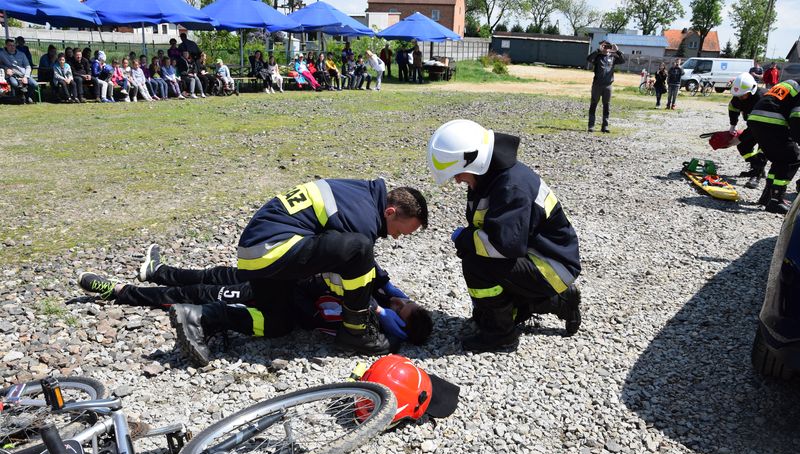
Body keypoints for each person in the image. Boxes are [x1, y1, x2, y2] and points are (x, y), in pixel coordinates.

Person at [164, 179, 428, 360]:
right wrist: (376, 310)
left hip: (261, 252)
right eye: (400, 232)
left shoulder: (363, 200)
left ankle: (201, 317)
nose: (396, 238)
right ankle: (356, 333)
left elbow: (350, 257)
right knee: (360, 247)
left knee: (278, 323)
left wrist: (385, 285)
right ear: (390, 212)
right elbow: (345, 267)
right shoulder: (363, 215)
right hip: (272, 249)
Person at [77, 245, 434, 365]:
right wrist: (388, 291)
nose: (402, 300)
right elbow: (372, 274)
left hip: (274, 293)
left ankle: (118, 292)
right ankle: (158, 271)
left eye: (404, 308)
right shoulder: (382, 293)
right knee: (216, 275)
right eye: (407, 301)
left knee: (201, 293)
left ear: (395, 321)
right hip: (275, 277)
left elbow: (319, 313)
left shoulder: (359, 313)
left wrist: (382, 312)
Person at [427, 120, 581, 351]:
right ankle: (554, 302)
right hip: (537, 257)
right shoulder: (490, 177)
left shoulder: (510, 187)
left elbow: (504, 246)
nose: (458, 180)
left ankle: (501, 336)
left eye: (459, 174)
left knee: (476, 263)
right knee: (478, 260)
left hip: (552, 266)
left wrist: (466, 239)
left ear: (474, 161)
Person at [747, 79, 800, 214]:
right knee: (792, 157)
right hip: (773, 120)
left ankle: (767, 197)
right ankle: (776, 201)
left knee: (779, 159)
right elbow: (797, 117)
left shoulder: (791, 84)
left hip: (756, 119)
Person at [728, 73, 769, 191]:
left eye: (743, 95)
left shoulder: (763, 98)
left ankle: (756, 176)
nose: (740, 98)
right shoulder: (739, 96)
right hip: (754, 125)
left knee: (762, 151)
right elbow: (733, 108)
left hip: (769, 128)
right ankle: (756, 167)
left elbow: (758, 126)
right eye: (738, 95)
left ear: (752, 90)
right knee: (743, 146)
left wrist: (739, 138)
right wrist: (733, 125)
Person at [586, 40, 625, 132]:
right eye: (605, 46)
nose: (607, 48)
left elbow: (623, 60)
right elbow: (588, 59)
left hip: (608, 85)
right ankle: (591, 126)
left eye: (608, 46)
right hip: (597, 85)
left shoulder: (613, 57)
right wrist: (597, 51)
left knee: (606, 106)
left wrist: (617, 51)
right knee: (594, 104)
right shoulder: (597, 57)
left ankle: (605, 126)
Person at [0, 38, 38, 104]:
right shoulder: (2, 54)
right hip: (12, 75)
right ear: (6, 46)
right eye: (10, 45)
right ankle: (20, 97)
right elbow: (0, 64)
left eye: (13, 45)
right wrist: (6, 68)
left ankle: (27, 96)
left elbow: (28, 66)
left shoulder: (22, 54)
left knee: (34, 84)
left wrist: (26, 77)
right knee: (14, 83)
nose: (12, 47)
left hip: (23, 74)